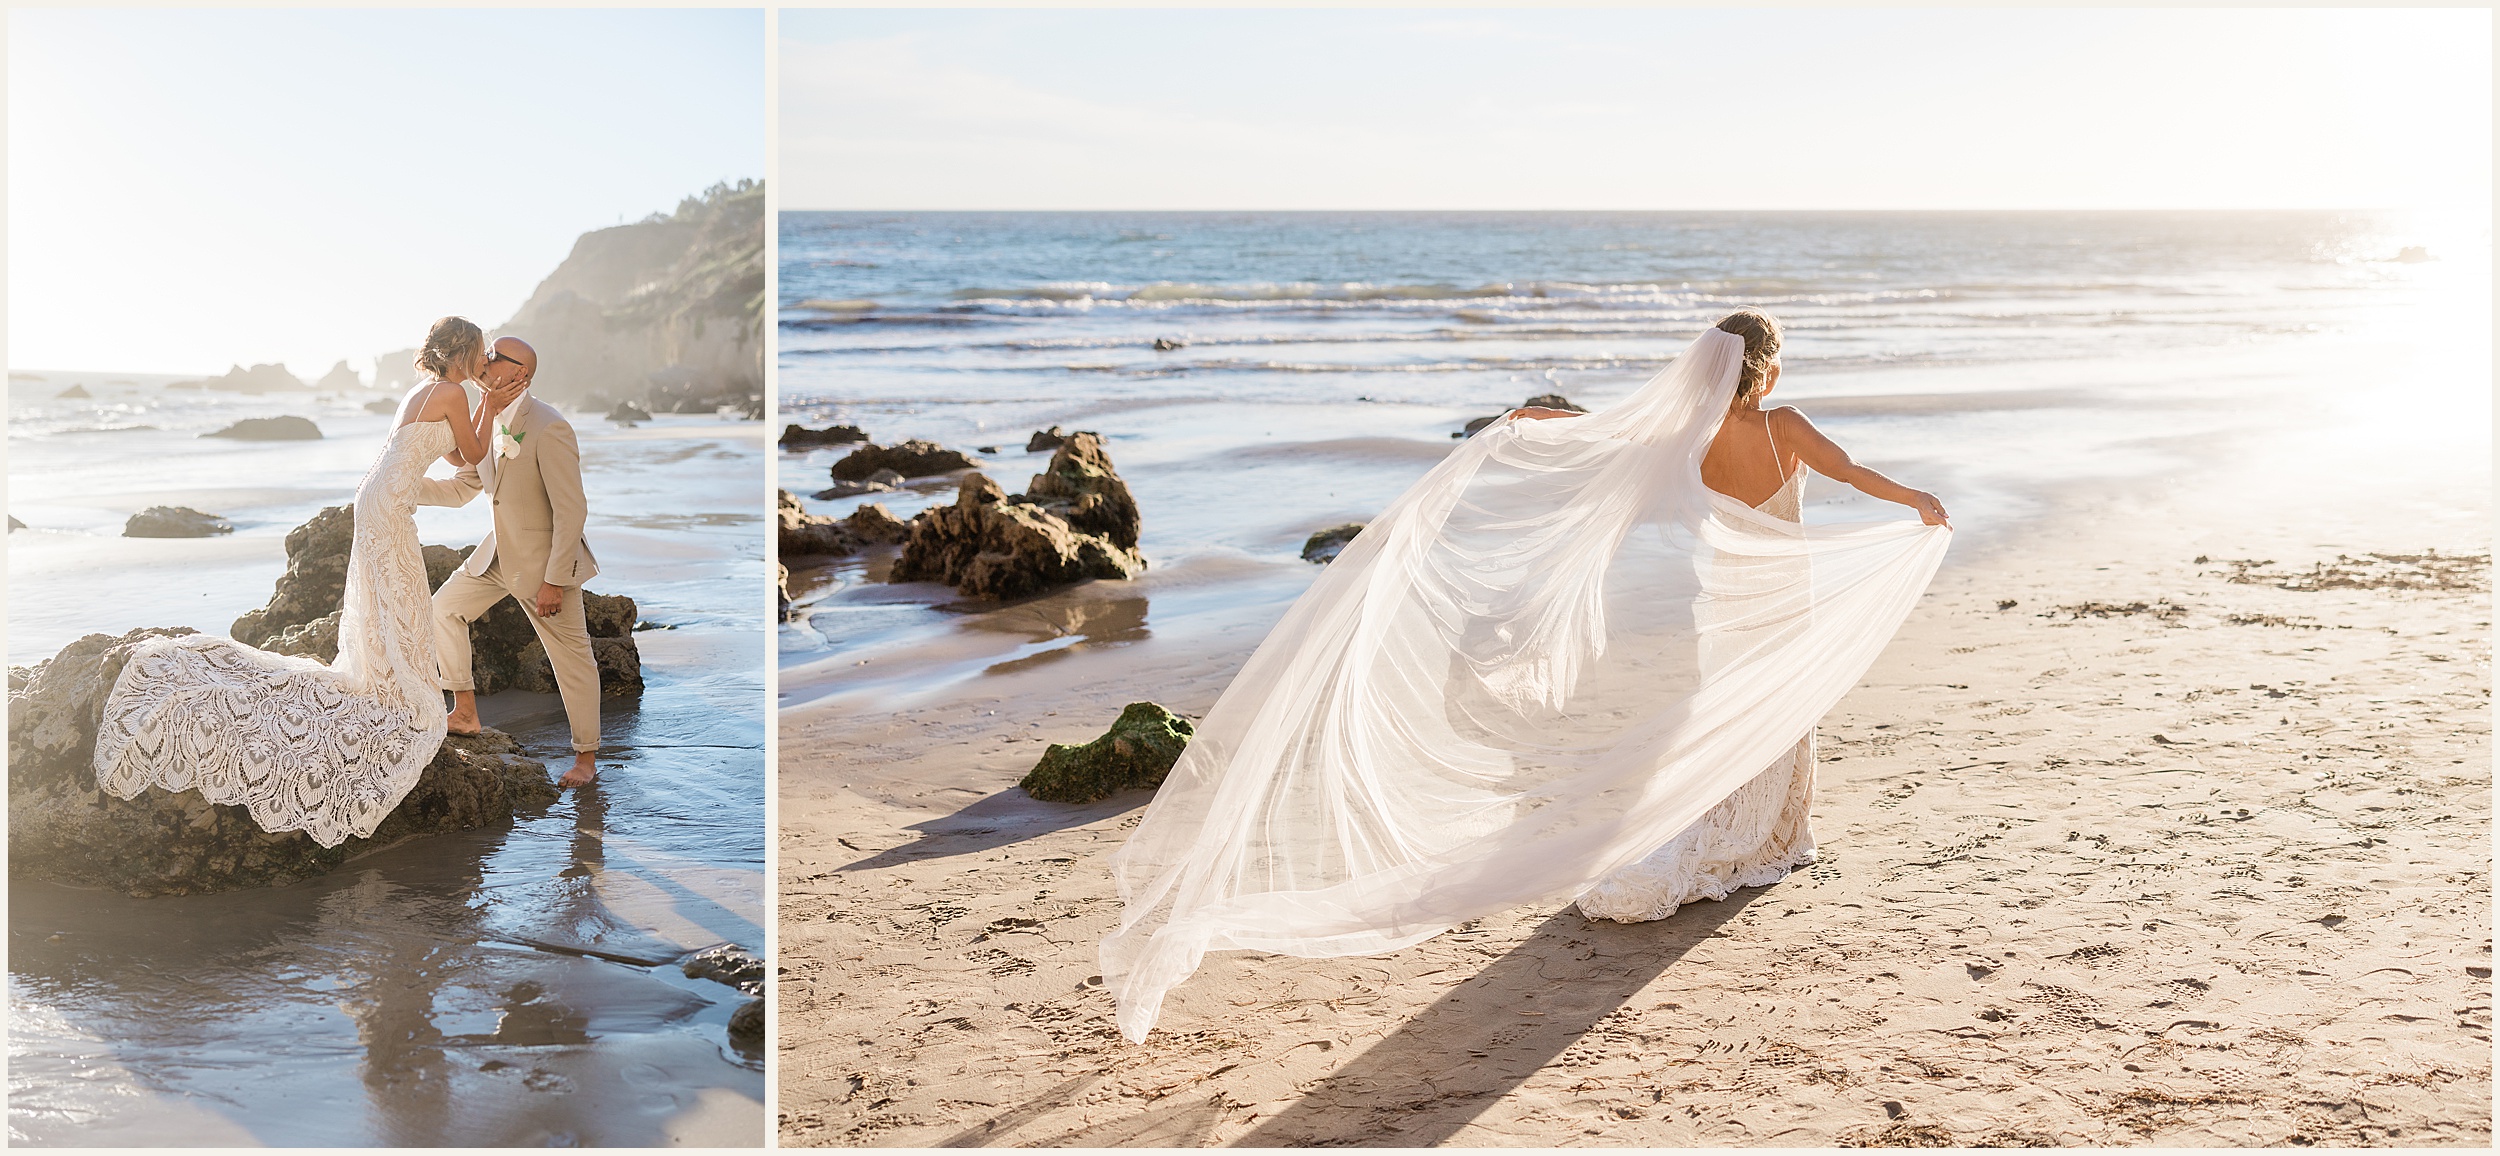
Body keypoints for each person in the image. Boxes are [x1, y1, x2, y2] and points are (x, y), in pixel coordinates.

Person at [1100, 309, 1953, 1042]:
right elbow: (1850, 473)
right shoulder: (1786, 426)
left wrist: (1534, 421)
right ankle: (1772, 837)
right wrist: (1916, 500)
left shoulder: (1689, 437)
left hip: (1720, 603)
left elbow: (1608, 433)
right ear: (1766, 374)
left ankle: (1756, 832)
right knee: (1775, 713)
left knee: (1728, 714)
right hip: (1780, 596)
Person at [94, 316, 524, 847]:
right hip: (388, 504)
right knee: (404, 595)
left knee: (397, 595)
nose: (486, 362)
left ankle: (402, 685)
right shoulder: (455, 393)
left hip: (377, 497)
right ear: (464, 353)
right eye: (481, 353)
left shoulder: (428, 390)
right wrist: (495, 401)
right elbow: (477, 452)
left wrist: (487, 410)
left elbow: (459, 455)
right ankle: (409, 697)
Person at [417, 335, 605, 788]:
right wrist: (404, 488)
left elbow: (571, 510)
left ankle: (586, 759)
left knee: (573, 660)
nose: (486, 360)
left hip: (544, 566)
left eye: (496, 356)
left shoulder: (549, 426)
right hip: (497, 554)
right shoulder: (487, 418)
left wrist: (556, 581)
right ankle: (464, 711)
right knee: (444, 609)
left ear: (519, 373)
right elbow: (465, 486)